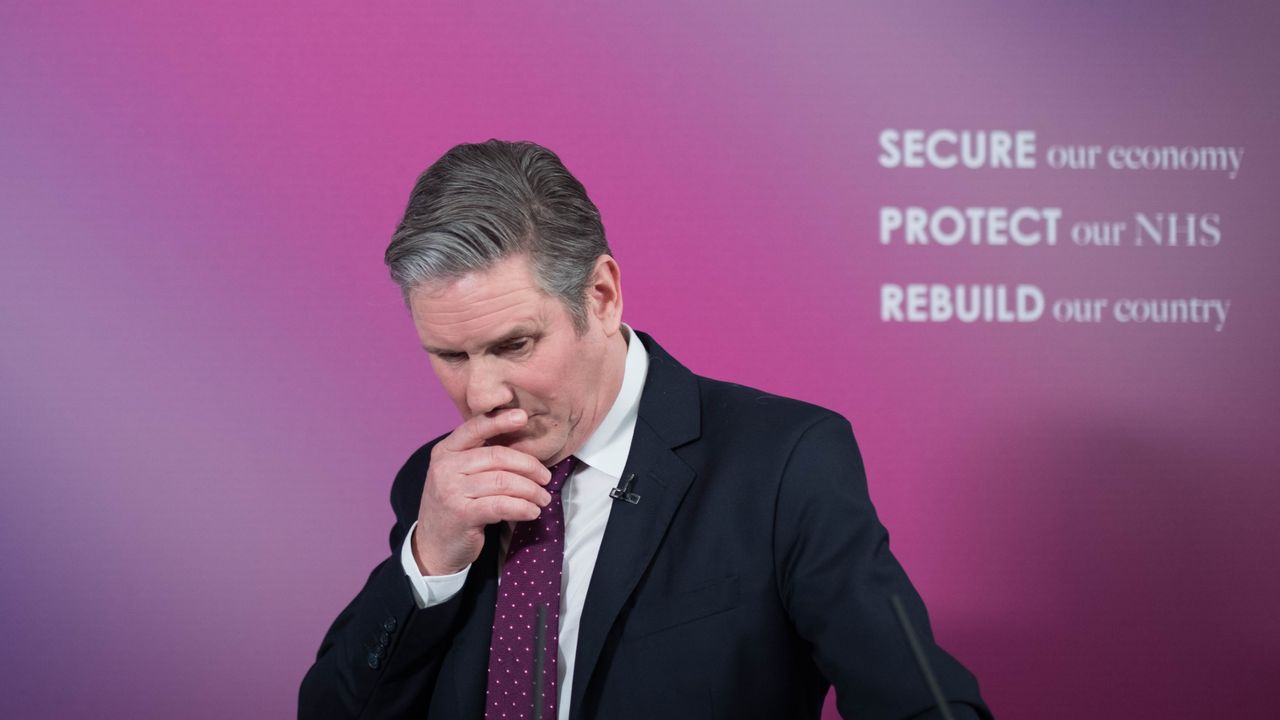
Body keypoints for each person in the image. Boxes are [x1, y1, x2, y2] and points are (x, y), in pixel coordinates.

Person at [299, 140, 990, 719]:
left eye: (513, 346)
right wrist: (429, 564)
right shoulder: (439, 480)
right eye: (450, 356)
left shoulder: (782, 465)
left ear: (600, 296)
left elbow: (924, 703)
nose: (481, 395)